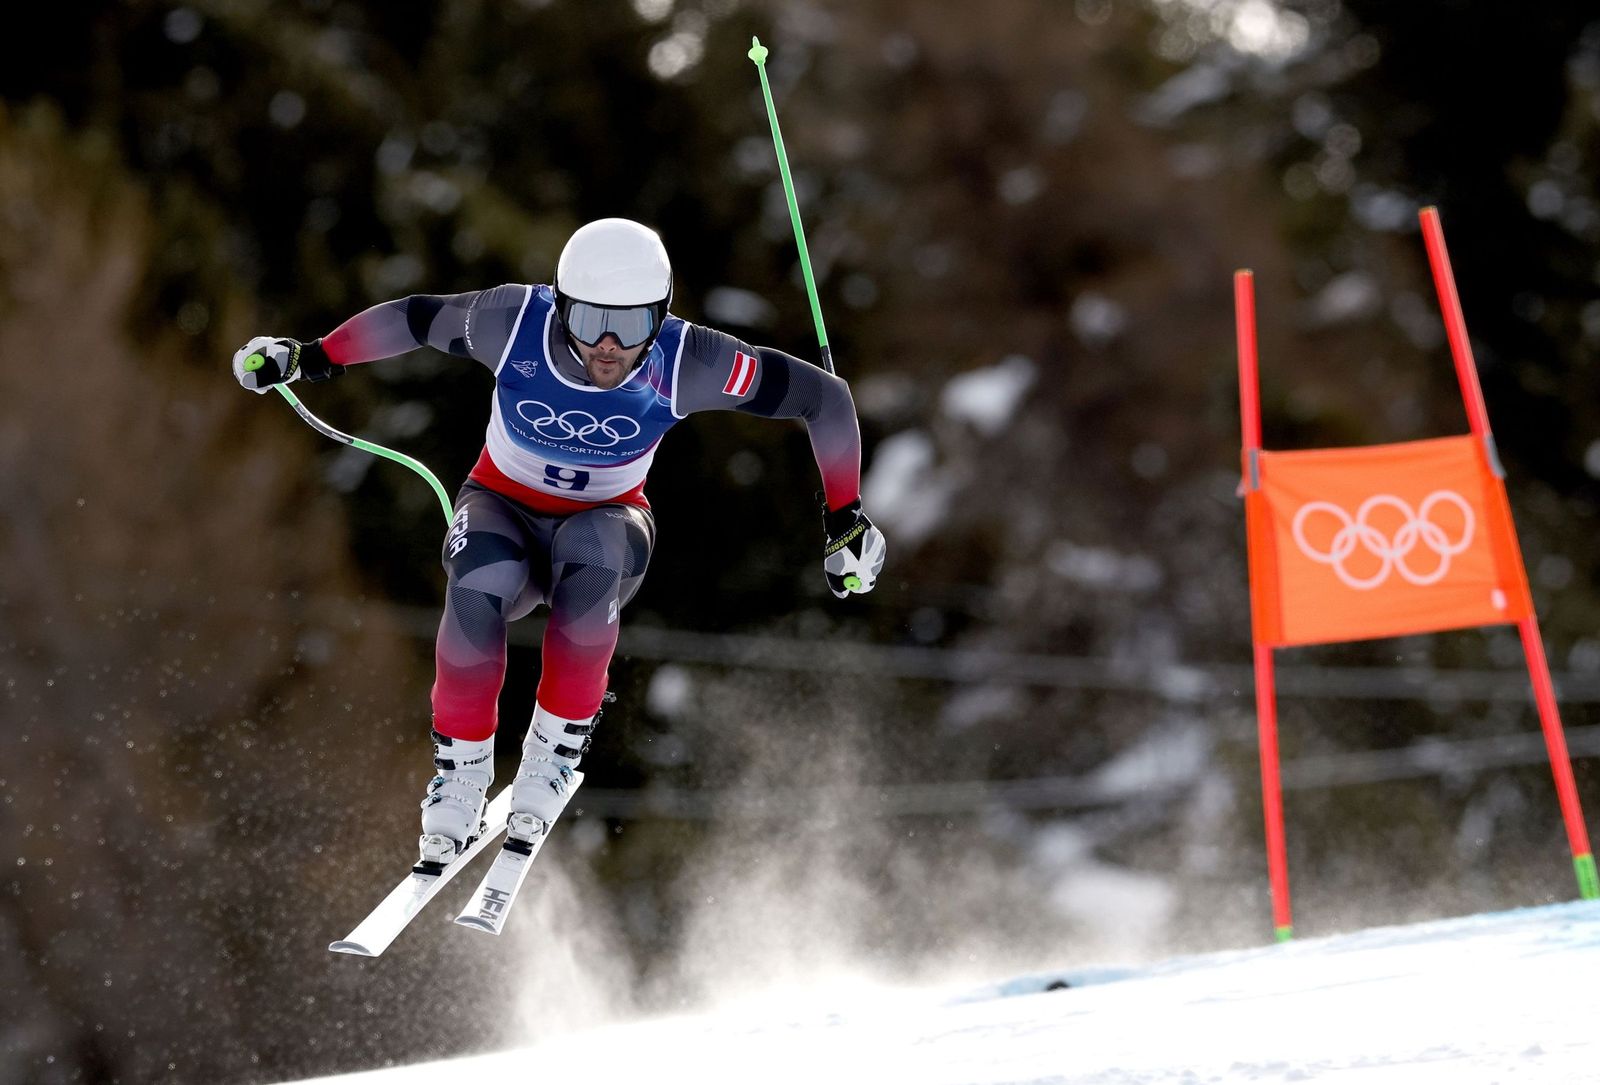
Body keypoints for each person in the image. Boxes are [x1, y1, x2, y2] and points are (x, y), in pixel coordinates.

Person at [231, 217, 886, 869]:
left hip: (610, 519)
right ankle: (460, 775)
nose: (606, 344)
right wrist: (309, 355)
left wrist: (846, 518)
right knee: (480, 574)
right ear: (560, 304)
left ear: (659, 318)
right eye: (588, 319)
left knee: (593, 553)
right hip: (501, 506)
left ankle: (550, 758)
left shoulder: (689, 361)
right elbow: (411, 318)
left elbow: (823, 399)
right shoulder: (511, 322)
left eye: (629, 326)